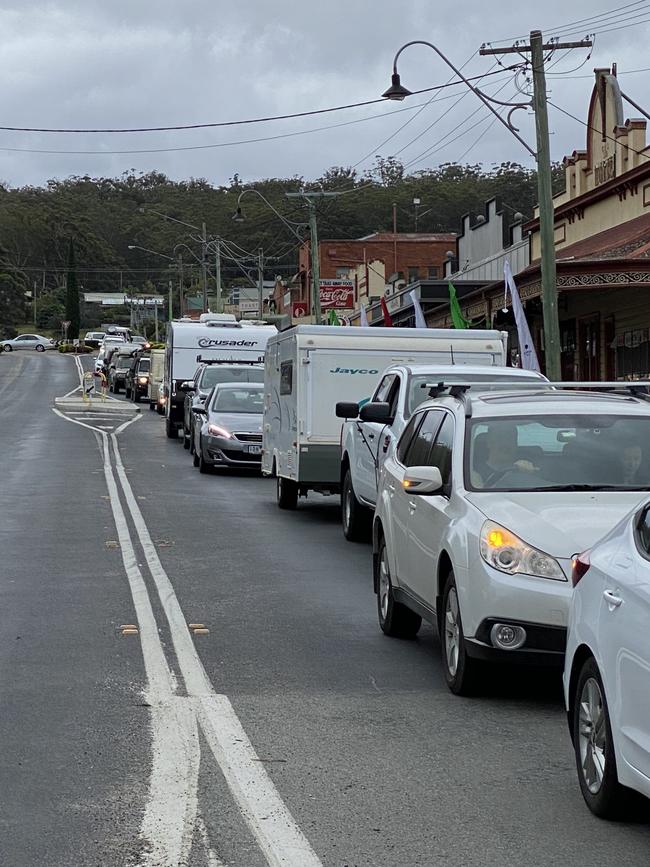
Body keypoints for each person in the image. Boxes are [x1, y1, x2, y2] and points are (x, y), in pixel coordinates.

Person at [472, 426, 537, 488]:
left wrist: (531, 474)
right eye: (500, 438)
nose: (506, 444)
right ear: (489, 443)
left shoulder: (529, 468)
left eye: (510, 439)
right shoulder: (473, 472)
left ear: (516, 443)